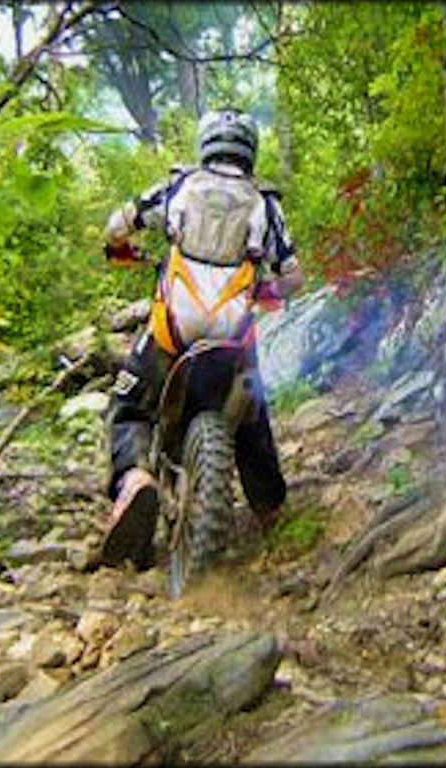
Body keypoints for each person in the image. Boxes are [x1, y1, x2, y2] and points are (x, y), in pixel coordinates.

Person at [100, 107, 304, 570]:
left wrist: (120, 249)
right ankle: (272, 511)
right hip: (232, 337)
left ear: (207, 143)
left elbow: (117, 224)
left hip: (173, 330)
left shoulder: (177, 187)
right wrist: (265, 290)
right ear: (249, 151)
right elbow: (294, 278)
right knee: (252, 413)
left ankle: (134, 477)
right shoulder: (266, 205)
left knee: (129, 404)